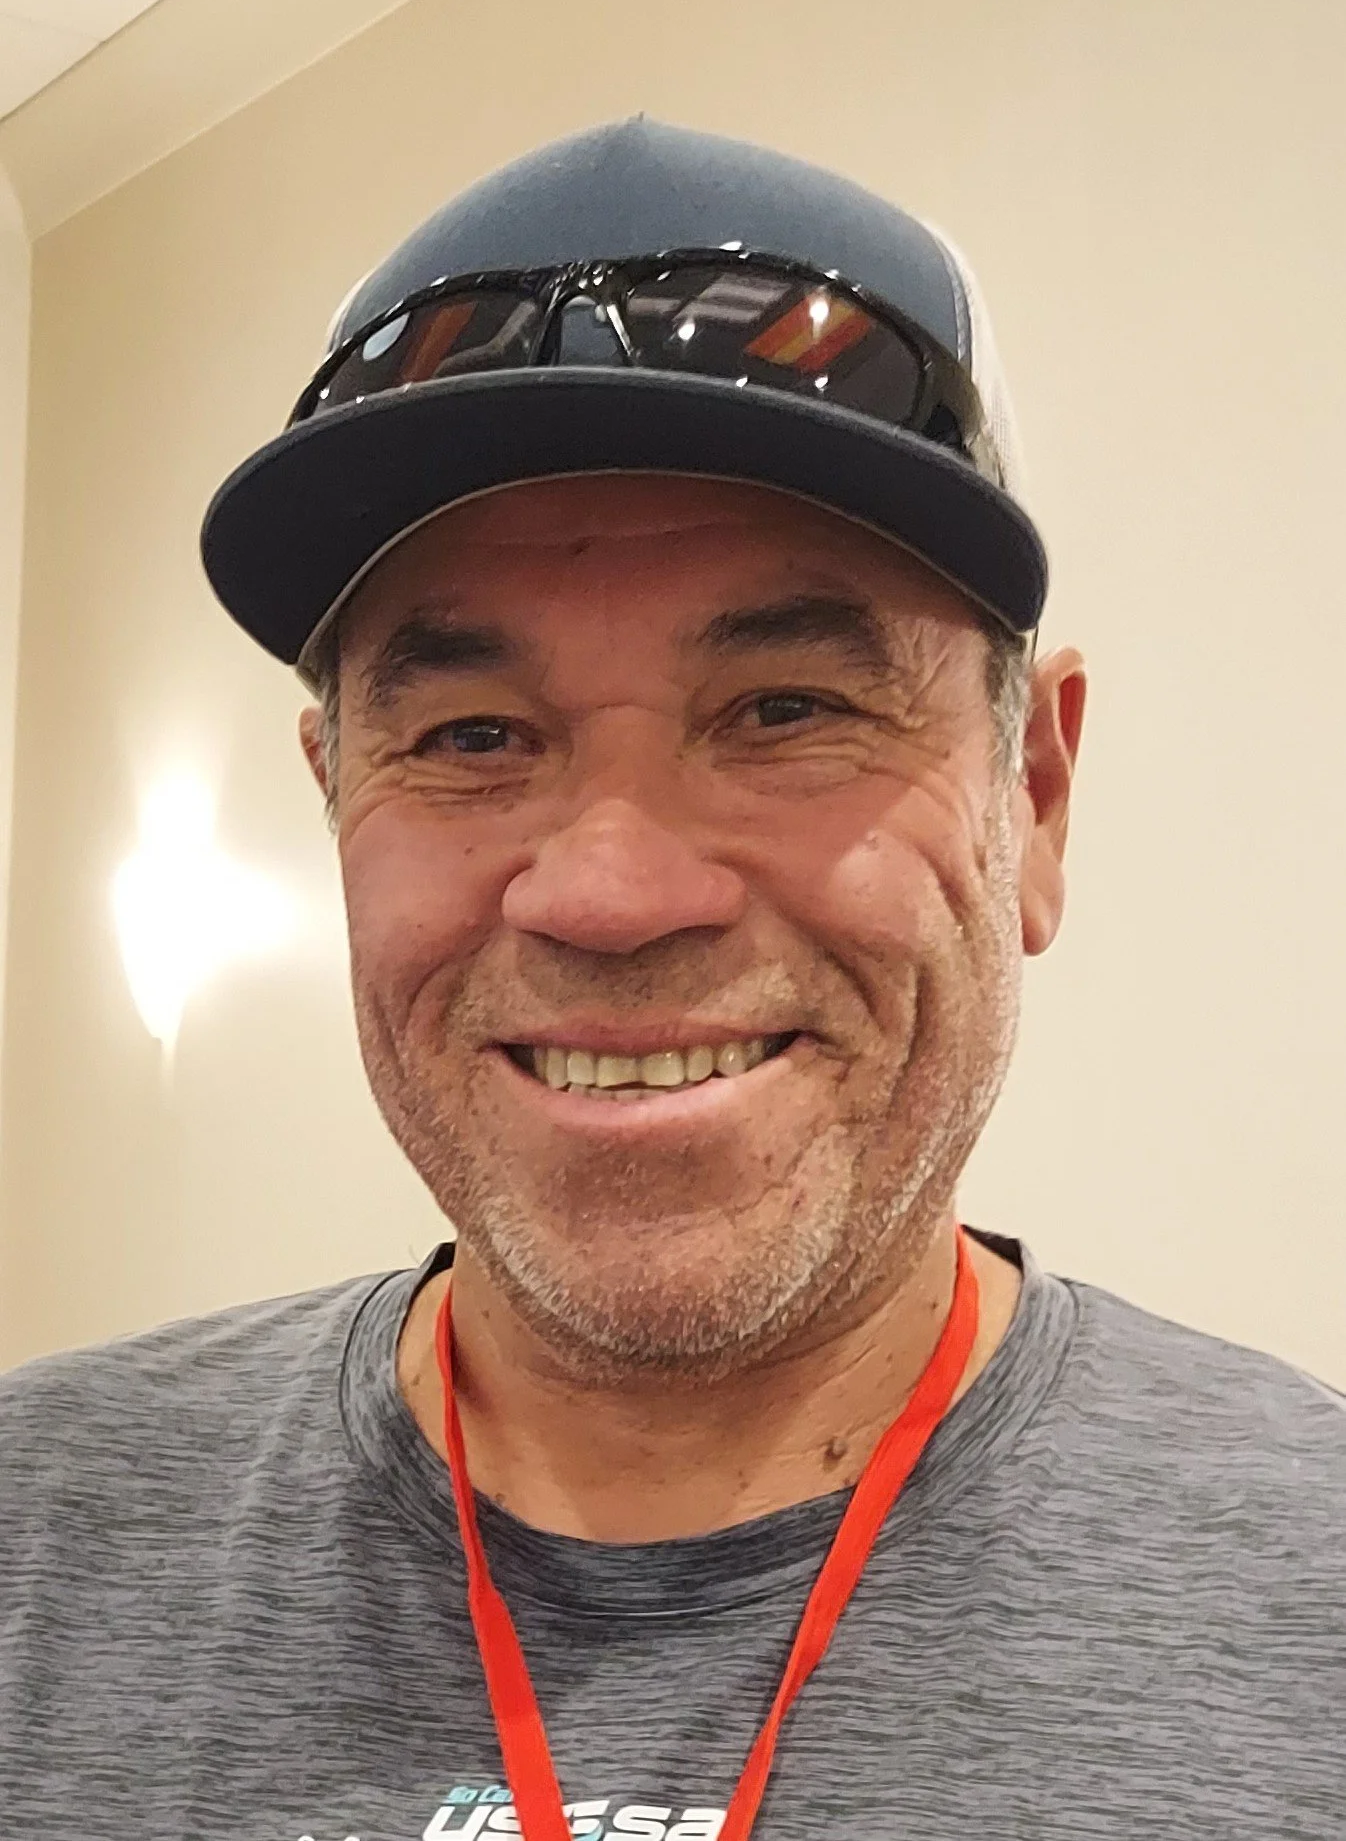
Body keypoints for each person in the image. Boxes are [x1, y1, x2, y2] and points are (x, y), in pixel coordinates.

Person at [0, 119, 1341, 1840]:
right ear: (333, 799)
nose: (611, 895)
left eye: (786, 710)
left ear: (1033, 799)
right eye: (471, 736)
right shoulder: (39, 1545)